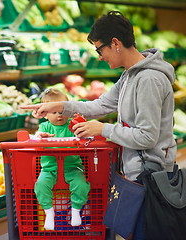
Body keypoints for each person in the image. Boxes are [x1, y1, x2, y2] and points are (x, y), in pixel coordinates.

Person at [21, 11, 176, 239]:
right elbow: (102, 104)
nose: (100, 57)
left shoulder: (148, 80)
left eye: (99, 49)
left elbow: (147, 137)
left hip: (153, 176)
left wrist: (102, 129)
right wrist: (59, 106)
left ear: (115, 43)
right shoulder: (129, 76)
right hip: (140, 173)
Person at [32, 88, 90, 230]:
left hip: (72, 167)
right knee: (40, 185)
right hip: (49, 169)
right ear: (45, 114)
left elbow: (84, 134)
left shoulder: (72, 125)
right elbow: (36, 137)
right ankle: (49, 212)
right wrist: (40, 136)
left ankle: (76, 211)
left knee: (82, 184)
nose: (59, 115)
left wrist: (80, 122)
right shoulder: (44, 126)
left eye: (62, 111)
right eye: (54, 112)